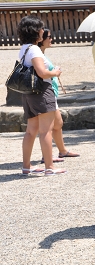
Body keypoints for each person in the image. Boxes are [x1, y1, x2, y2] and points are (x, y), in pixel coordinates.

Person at [17, 15, 66, 176]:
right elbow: (42, 72)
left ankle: (26, 166)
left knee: (31, 131)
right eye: (41, 28)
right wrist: (56, 72)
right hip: (42, 92)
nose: (43, 31)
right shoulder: (35, 49)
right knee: (46, 131)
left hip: (28, 94)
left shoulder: (24, 48)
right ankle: (50, 167)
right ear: (36, 31)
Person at [37, 28, 80, 162]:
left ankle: (62, 151)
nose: (51, 39)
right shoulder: (37, 54)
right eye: (49, 37)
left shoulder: (41, 54)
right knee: (49, 126)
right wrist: (55, 71)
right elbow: (42, 72)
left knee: (57, 123)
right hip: (45, 93)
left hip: (51, 92)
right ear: (41, 39)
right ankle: (48, 155)